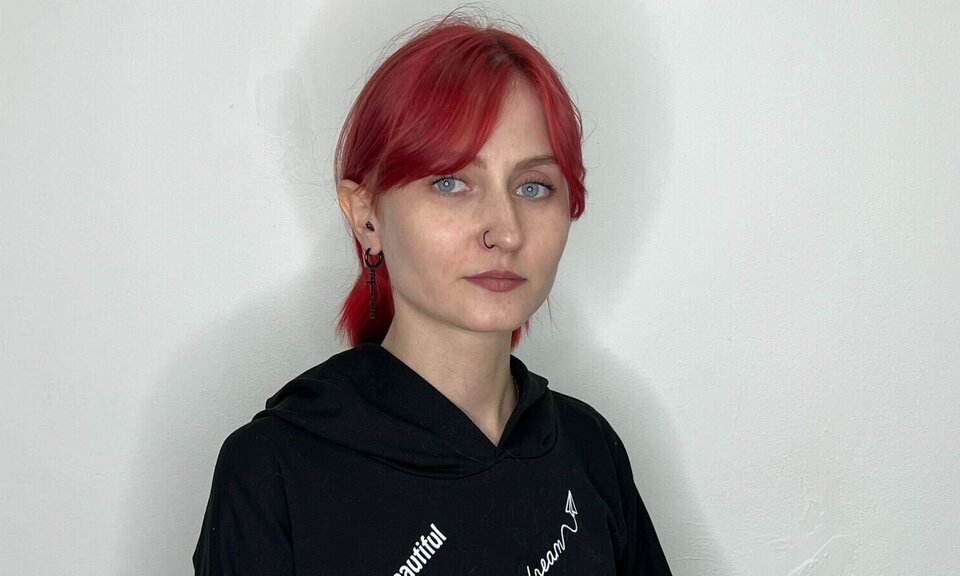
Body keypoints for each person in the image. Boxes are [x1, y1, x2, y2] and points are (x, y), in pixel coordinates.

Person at [194, 15, 672, 575]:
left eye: (533, 186)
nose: (505, 232)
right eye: (450, 182)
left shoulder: (590, 449)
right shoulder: (273, 472)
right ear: (367, 216)